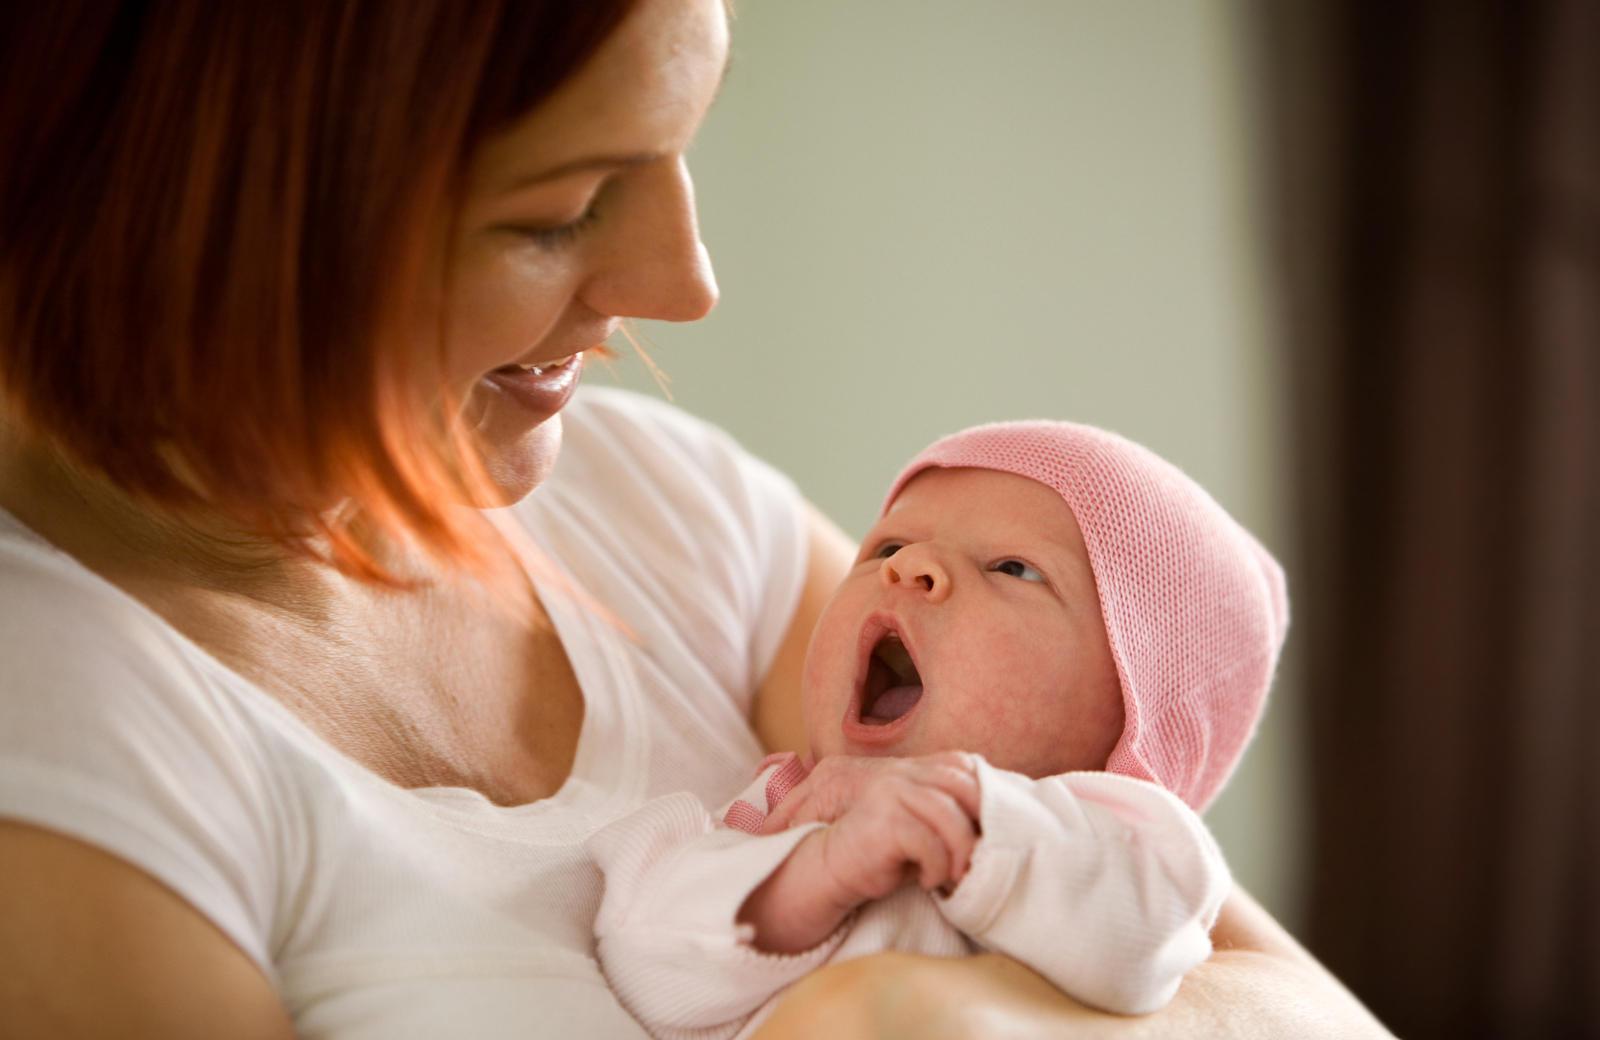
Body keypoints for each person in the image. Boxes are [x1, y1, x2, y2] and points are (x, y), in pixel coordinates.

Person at [0, 2, 1391, 1037]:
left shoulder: (656, 504)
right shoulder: (64, 735)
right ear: (197, 212)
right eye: (559, 210)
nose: (685, 282)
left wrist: (917, 1019)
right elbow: (676, 932)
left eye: (674, 152)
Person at [587, 420, 1285, 1038]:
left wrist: (973, 819)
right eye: (887, 544)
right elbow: (645, 964)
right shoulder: (778, 816)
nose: (908, 566)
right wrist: (809, 876)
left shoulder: (1133, 845)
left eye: (1013, 567)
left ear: (1132, 714)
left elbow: (1141, 947)